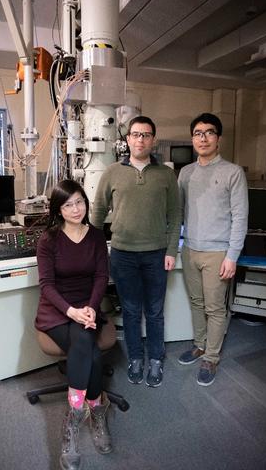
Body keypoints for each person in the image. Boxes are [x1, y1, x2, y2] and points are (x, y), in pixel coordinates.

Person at [91, 115, 181, 388]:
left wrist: (171, 251)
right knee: (130, 311)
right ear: (127, 139)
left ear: (153, 140)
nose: (140, 139)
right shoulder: (112, 172)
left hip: (155, 255)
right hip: (123, 255)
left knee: (154, 312)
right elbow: (97, 211)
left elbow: (175, 215)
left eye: (146, 135)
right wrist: (93, 248)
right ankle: (136, 359)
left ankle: (155, 359)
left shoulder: (166, 174)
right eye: (135, 134)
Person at [35, 179, 112, 470]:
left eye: (79, 201)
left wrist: (90, 308)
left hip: (87, 306)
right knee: (88, 350)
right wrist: (71, 311)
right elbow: (46, 285)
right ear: (58, 209)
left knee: (86, 347)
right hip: (57, 309)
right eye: (68, 204)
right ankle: (92, 409)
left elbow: (101, 277)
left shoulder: (95, 236)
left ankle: (77, 414)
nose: (75, 208)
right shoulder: (48, 240)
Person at [178, 113, 248, 386]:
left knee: (215, 308)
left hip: (218, 253)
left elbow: (240, 217)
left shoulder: (233, 172)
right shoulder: (185, 173)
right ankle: (199, 344)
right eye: (197, 132)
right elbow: (178, 212)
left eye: (209, 132)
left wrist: (232, 256)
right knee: (196, 303)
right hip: (190, 249)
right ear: (192, 138)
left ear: (218, 138)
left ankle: (212, 357)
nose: (203, 137)